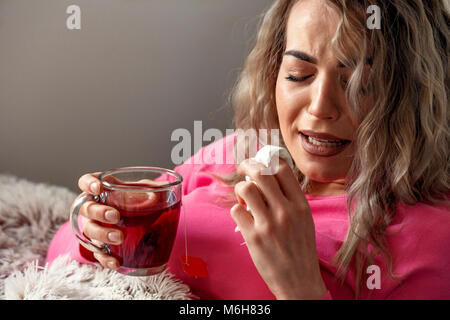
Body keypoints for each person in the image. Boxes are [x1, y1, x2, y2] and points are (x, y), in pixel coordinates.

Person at [46, 0, 450, 299]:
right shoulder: (236, 153)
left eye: (359, 83)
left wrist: (300, 287)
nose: (320, 107)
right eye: (298, 74)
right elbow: (63, 257)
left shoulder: (429, 237)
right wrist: (94, 227)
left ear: (411, 96)